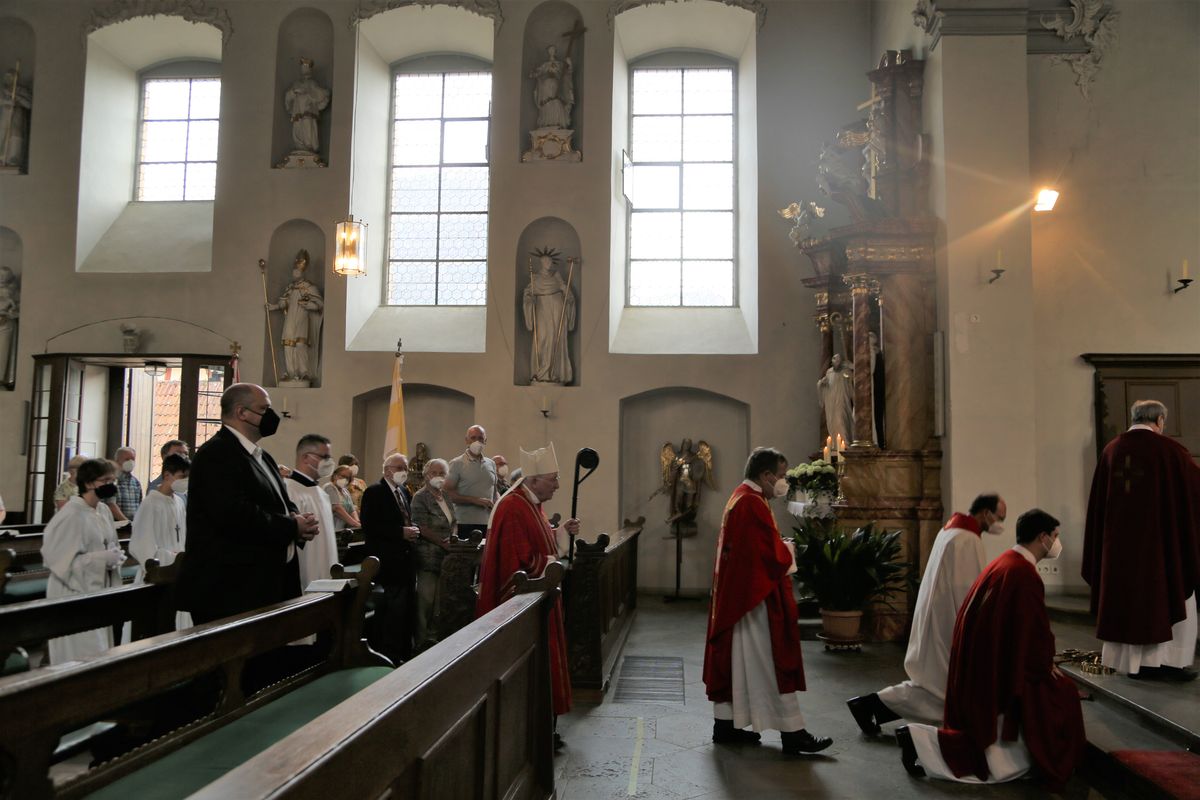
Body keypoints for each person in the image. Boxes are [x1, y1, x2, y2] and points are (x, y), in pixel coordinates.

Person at [897, 509, 1085, 790]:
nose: (1057, 543)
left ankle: (921, 740)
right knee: (1064, 694)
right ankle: (923, 741)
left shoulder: (1005, 561)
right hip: (995, 667)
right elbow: (1034, 635)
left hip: (983, 661)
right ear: (1042, 537)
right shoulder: (1024, 574)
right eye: (1055, 536)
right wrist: (1046, 666)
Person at [702, 447, 832, 756]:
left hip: (742, 599)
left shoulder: (743, 496)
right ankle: (793, 732)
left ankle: (727, 726)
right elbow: (766, 556)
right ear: (766, 475)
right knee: (772, 662)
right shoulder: (751, 503)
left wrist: (777, 545)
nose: (784, 482)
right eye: (782, 476)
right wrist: (788, 550)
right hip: (754, 603)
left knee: (740, 663)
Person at [848, 493, 1006, 733]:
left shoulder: (950, 530)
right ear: (986, 513)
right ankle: (880, 713)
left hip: (937, 614)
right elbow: (967, 590)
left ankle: (870, 706)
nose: (1000, 524)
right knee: (940, 687)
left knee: (936, 685)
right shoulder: (967, 539)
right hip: (947, 619)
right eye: (1000, 518)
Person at [177, 383, 319, 625]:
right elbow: (233, 514)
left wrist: (297, 518)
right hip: (230, 587)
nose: (271, 416)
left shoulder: (262, 457)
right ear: (241, 412)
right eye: (264, 409)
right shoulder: (216, 454)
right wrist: (290, 526)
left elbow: (281, 501)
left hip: (265, 581)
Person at [1083, 399, 1200, 680]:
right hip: (1160, 551)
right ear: (1159, 420)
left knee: (1124, 600)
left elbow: (1098, 507)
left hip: (1117, 554)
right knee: (1172, 598)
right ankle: (1167, 663)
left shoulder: (1111, 451)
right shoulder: (1171, 452)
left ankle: (1131, 663)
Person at [476, 443, 577, 739]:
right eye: (553, 479)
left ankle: (545, 728)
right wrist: (551, 563)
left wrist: (560, 533)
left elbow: (537, 543)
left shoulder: (530, 503)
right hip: (523, 605)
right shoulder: (512, 506)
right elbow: (515, 562)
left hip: (541, 598)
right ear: (533, 481)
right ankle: (534, 733)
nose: (557, 485)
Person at [41, 458, 125, 664]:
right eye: (105, 480)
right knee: (82, 654)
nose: (110, 485)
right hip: (72, 592)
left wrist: (114, 557)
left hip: (97, 590)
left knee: (101, 652)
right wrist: (101, 559)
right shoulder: (70, 514)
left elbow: (110, 543)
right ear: (88, 483)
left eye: (113, 480)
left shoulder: (103, 510)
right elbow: (59, 561)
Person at [360, 452, 420, 663]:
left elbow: (405, 518)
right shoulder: (374, 491)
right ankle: (386, 654)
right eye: (399, 468)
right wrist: (400, 532)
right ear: (387, 471)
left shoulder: (403, 491)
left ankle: (403, 651)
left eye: (405, 468)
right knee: (391, 610)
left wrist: (412, 530)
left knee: (405, 609)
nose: (404, 472)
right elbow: (369, 525)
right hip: (386, 560)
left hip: (405, 559)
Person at [128, 453, 192, 631]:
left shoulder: (179, 502)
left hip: (177, 573)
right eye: (181, 476)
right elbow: (141, 545)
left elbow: (184, 535)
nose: (185, 482)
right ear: (167, 475)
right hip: (158, 575)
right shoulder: (150, 503)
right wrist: (170, 557)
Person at [409, 458, 456, 652]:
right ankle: (420, 642)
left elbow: (454, 521)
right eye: (434, 473)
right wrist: (442, 542)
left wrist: (453, 538)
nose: (439, 476)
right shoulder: (420, 497)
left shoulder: (446, 496)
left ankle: (434, 638)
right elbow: (420, 526)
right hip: (428, 555)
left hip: (446, 556)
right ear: (426, 475)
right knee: (425, 601)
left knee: (440, 601)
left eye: (442, 473)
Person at [284, 434, 339, 590]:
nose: (329, 462)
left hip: (327, 570)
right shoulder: (289, 489)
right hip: (304, 574)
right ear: (306, 458)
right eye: (325, 457)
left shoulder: (321, 493)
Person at [266, 250, 323, 384]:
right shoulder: (290, 287)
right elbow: (284, 303)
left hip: (302, 318)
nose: (295, 274)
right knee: (288, 345)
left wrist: (308, 305)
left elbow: (320, 304)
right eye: (294, 272)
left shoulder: (309, 287)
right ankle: (291, 373)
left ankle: (303, 373)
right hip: (290, 318)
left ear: (302, 272)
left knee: (300, 344)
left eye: (297, 272)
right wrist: (274, 306)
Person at [523, 249, 576, 385]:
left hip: (557, 309)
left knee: (555, 339)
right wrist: (530, 302)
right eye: (546, 261)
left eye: (550, 261)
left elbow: (568, 294)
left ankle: (555, 373)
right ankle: (541, 372)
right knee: (542, 338)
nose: (548, 263)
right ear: (541, 262)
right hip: (542, 309)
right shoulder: (535, 278)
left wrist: (568, 296)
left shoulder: (557, 278)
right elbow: (528, 294)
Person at [445, 425, 498, 538]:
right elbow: (447, 494)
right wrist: (475, 500)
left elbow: (494, 490)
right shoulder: (456, 463)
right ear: (466, 440)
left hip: (489, 522)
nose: (477, 441)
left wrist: (497, 509)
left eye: (480, 438)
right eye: (473, 438)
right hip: (465, 523)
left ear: (485, 441)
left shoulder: (491, 464)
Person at [283, 57, 330, 156]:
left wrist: (309, 94)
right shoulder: (297, 83)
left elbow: (320, 95)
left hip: (308, 111)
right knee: (298, 127)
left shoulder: (312, 83)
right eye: (303, 68)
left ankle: (309, 147)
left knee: (308, 126)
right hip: (298, 111)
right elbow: (288, 96)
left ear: (310, 70)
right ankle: (300, 146)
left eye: (306, 68)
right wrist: (294, 92)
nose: (304, 70)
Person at [817, 354, 854, 448]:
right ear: (832, 362)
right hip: (831, 402)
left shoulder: (845, 372)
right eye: (835, 360)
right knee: (832, 422)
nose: (837, 362)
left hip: (842, 401)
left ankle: (845, 443)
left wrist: (849, 370)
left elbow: (850, 380)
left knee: (841, 419)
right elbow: (825, 384)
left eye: (839, 361)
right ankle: (836, 444)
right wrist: (822, 384)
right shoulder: (829, 372)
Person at [324, 464, 360, 534]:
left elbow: (352, 509)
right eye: (343, 476)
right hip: (331, 529)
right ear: (335, 475)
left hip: (341, 530)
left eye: (347, 478)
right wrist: (354, 523)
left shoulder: (345, 491)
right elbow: (336, 508)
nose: (345, 479)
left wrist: (357, 521)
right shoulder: (329, 487)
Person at [113, 447, 142, 521]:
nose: (131, 462)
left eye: (133, 459)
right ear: (117, 461)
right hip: (116, 525)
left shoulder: (136, 483)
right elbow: (110, 505)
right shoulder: (112, 481)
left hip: (133, 524)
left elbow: (139, 505)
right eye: (127, 459)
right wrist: (126, 522)